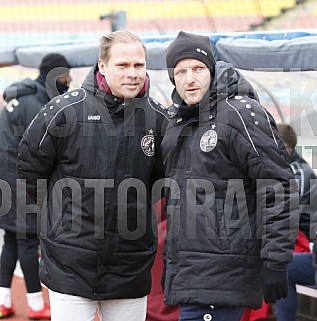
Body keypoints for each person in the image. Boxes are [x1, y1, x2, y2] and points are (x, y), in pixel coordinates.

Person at [17, 30, 168, 321]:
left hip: (130, 264)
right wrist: (62, 216)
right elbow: (30, 169)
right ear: (102, 66)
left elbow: (161, 182)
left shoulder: (160, 119)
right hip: (70, 263)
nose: (132, 73)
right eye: (123, 65)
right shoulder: (64, 111)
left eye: (138, 65)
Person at [160, 31, 299, 321]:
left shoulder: (240, 114)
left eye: (198, 69)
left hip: (222, 276)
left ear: (211, 70)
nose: (190, 78)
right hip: (191, 275)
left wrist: (276, 260)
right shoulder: (176, 122)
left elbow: (279, 187)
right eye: (181, 72)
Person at [0, 53, 71, 319]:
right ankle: (36, 304)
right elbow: (39, 152)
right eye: (66, 76)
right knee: (28, 241)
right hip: (19, 182)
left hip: (4, 180)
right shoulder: (39, 103)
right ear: (57, 75)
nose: (70, 81)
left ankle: (3, 300)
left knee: (11, 241)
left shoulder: (20, 95)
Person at [274, 123, 317, 321]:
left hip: (300, 243)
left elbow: (282, 215)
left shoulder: (298, 174)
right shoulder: (284, 169)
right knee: (281, 266)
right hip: (308, 250)